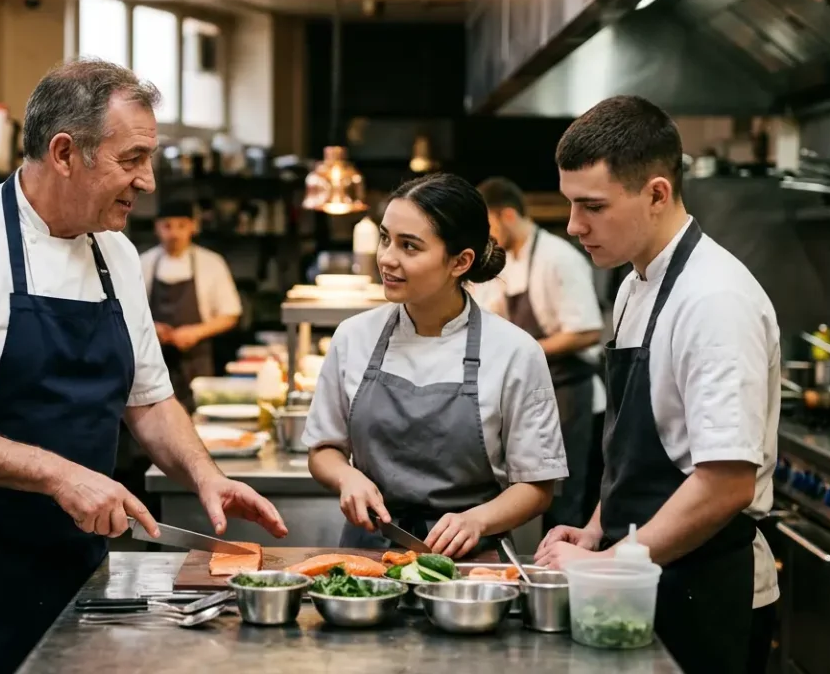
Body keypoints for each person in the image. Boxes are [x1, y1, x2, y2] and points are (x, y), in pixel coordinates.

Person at [0, 59, 288, 674]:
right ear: (65, 153)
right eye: (132, 159)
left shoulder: (114, 251)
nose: (147, 182)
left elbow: (149, 398)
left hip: (76, 564)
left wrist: (205, 475)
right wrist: (60, 475)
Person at [533, 95, 779, 674]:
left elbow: (725, 484)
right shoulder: (633, 285)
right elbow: (639, 446)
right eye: (571, 204)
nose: (574, 226)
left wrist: (610, 564)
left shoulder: (714, 299)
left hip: (705, 589)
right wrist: (596, 528)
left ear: (657, 193)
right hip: (643, 577)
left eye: (592, 206)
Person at [303, 172, 568, 559]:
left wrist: (478, 520)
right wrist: (347, 477)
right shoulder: (353, 336)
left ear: (460, 262)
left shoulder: (515, 351)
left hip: (468, 566)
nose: (387, 258)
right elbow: (324, 448)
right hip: (369, 558)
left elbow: (537, 486)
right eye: (385, 238)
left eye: (410, 246)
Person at [476, 177, 606, 531]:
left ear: (506, 215)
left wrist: (523, 353)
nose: (486, 234)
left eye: (487, 224)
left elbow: (588, 330)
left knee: (564, 501)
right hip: (533, 392)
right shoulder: (509, 260)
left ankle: (562, 578)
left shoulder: (557, 258)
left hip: (569, 396)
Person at [139, 200, 243, 412]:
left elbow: (230, 313)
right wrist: (152, 328)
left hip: (197, 362)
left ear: (193, 227)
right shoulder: (143, 263)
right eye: (167, 226)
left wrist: (196, 332)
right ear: (157, 228)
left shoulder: (212, 263)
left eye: (181, 226)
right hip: (154, 363)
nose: (174, 234)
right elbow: (129, 313)